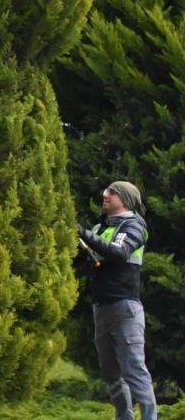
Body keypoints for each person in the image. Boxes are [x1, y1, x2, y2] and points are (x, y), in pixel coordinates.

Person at [78, 180, 156, 420]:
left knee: (134, 371)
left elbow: (119, 252)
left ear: (125, 198)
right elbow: (88, 259)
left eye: (112, 192)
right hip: (101, 309)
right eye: (106, 191)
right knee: (111, 372)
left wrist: (84, 234)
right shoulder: (101, 228)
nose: (106, 195)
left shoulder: (134, 226)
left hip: (125, 309)